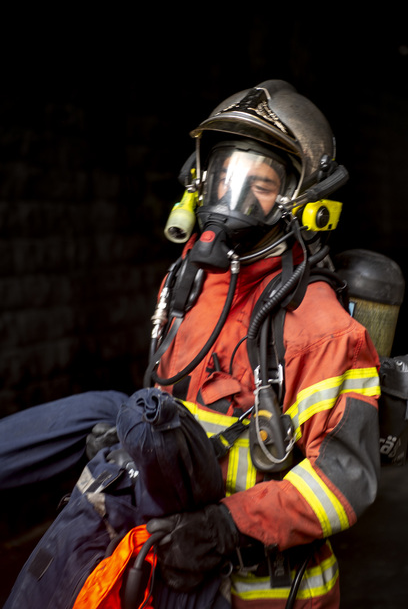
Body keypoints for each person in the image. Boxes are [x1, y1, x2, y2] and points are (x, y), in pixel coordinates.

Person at [143, 80, 381, 608]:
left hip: (271, 594)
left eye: (262, 182)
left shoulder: (323, 327)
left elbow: (343, 483)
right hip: (177, 582)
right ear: (198, 180)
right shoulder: (184, 288)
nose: (235, 196)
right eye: (225, 173)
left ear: (305, 200)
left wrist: (227, 527)